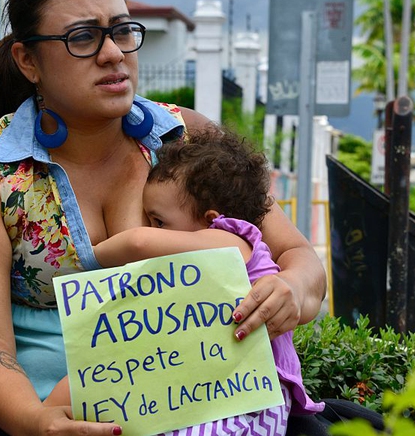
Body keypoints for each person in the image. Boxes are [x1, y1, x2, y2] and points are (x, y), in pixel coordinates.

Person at [0, 0, 326, 436]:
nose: (113, 52)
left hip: (219, 413)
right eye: (82, 37)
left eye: (122, 31)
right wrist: (35, 420)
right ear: (27, 60)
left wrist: (291, 292)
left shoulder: (187, 137)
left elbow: (296, 254)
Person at [44, 127, 324, 433]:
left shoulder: (232, 244)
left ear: (209, 219)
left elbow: (138, 242)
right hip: (215, 394)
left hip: (234, 405)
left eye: (159, 221)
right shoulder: (210, 266)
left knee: (77, 386)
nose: (153, 229)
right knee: (79, 384)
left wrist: (88, 257)